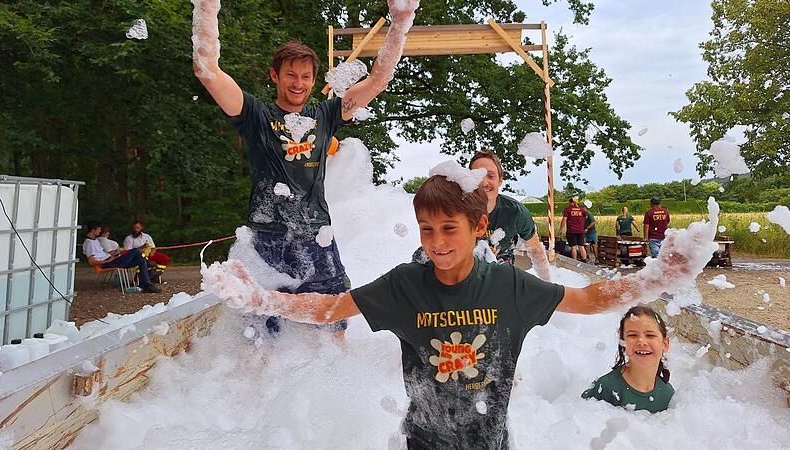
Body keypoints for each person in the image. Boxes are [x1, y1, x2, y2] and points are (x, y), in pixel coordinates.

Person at [212, 174, 699, 448]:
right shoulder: (405, 285)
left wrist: (656, 277)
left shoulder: (508, 286)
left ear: (478, 227)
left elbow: (588, 299)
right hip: (425, 441)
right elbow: (331, 308)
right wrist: (263, 298)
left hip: (492, 440)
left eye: (449, 229)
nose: (437, 242)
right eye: (426, 230)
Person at [192, 0, 419, 335]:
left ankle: (331, 383)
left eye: (306, 77)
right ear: (275, 75)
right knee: (258, 335)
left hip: (317, 236)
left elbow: (377, 80)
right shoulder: (256, 115)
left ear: (314, 80)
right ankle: (259, 387)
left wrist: (400, 23)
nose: (298, 83)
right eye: (290, 75)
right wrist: (207, 8)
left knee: (333, 323)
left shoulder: (325, 116)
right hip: (265, 239)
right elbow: (207, 71)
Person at [468, 149, 550, 280]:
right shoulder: (457, 210)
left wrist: (547, 284)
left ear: (500, 180)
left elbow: (536, 250)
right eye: (477, 176)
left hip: (503, 277)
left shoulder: (515, 212)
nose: (484, 182)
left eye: (490, 176)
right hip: (466, 278)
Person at [582, 305, 674, 413]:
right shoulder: (606, 388)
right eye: (633, 335)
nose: (641, 341)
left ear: (665, 344)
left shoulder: (667, 393)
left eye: (650, 335)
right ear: (623, 342)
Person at [82, 220, 161, 293]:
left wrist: (115, 254)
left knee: (141, 261)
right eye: (98, 229)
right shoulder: (89, 243)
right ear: (93, 230)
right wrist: (109, 260)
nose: (100, 231)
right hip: (108, 263)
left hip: (112, 259)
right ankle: (148, 267)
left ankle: (146, 285)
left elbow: (100, 254)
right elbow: (91, 262)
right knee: (136, 251)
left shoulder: (95, 240)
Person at [558, 197, 588, 262]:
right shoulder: (581, 209)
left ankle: (574, 261)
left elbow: (564, 219)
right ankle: (584, 260)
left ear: (570, 202)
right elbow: (586, 217)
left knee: (573, 247)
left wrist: (560, 230)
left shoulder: (568, 209)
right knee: (581, 246)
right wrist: (581, 223)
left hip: (571, 231)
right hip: (580, 230)